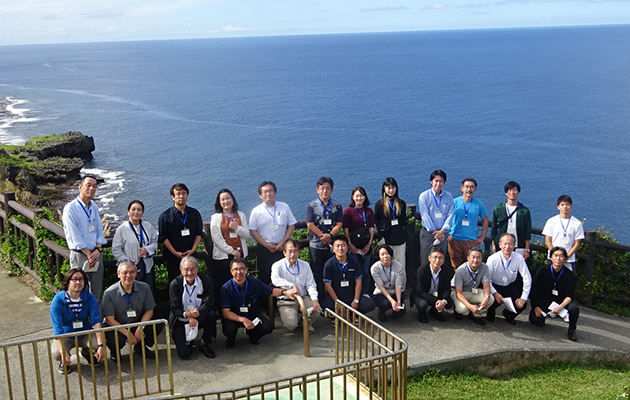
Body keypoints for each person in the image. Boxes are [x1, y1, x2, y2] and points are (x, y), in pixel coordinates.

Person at [220, 258, 296, 348]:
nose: (239, 272)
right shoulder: (226, 288)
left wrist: (285, 292)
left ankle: (253, 336)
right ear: (231, 271)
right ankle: (231, 339)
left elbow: (271, 291)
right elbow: (226, 312)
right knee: (229, 330)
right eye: (235, 269)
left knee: (268, 327)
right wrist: (243, 320)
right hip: (235, 316)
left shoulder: (254, 282)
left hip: (251, 314)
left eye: (242, 268)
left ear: (246, 270)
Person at [102, 260, 163, 362]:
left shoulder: (145, 287)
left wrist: (140, 327)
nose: (128, 275)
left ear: (136, 273)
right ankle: (115, 351)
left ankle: (140, 347)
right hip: (118, 325)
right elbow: (109, 319)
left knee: (157, 324)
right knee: (115, 339)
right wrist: (128, 334)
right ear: (118, 274)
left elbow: (149, 310)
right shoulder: (109, 293)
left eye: (131, 272)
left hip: (137, 322)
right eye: (125, 272)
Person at [50, 268, 105, 374]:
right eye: (74, 279)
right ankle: (65, 359)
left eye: (81, 279)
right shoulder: (58, 301)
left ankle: (87, 352)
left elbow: (96, 321)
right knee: (57, 353)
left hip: (85, 333)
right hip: (66, 335)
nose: (78, 282)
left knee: (98, 342)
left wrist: (101, 345)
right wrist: (63, 352)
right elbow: (57, 328)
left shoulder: (89, 298)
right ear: (67, 282)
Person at [62, 175, 107, 302]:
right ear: (80, 187)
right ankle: (81, 320)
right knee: (78, 290)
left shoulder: (94, 207)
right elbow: (74, 236)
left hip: (96, 254)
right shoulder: (70, 209)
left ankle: (96, 320)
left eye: (94, 186)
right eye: (88, 185)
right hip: (80, 255)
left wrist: (97, 249)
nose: (92, 189)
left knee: (97, 292)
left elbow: (99, 230)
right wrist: (88, 254)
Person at [249, 181, 297, 284]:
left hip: (282, 248)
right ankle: (265, 300)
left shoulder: (284, 207)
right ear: (260, 195)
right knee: (265, 277)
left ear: (275, 193)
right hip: (264, 249)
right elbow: (252, 230)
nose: (268, 194)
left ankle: (283, 298)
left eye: (270, 191)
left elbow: (291, 225)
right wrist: (266, 245)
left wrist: (283, 243)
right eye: (265, 192)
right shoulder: (256, 211)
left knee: (284, 275)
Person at [169, 256, 217, 359]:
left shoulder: (205, 280)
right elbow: (174, 307)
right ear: (181, 269)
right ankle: (187, 340)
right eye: (186, 269)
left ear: (197, 268)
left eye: (192, 269)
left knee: (211, 315)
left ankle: (205, 342)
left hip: (199, 316)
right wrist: (187, 315)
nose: (189, 273)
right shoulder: (175, 284)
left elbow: (209, 302)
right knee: (184, 354)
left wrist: (196, 316)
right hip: (181, 319)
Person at [529, 247, 580, 341]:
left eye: (561, 256)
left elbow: (570, 296)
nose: (558, 258)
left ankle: (572, 330)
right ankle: (542, 318)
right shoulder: (543, 270)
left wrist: (560, 307)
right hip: (545, 301)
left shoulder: (569, 275)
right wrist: (536, 306)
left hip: (560, 302)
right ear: (551, 257)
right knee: (534, 320)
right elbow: (534, 290)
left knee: (574, 308)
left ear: (565, 259)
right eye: (556, 255)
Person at [271, 239, 321, 333]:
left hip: (303, 297)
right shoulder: (277, 265)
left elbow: (311, 284)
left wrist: (314, 299)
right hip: (286, 301)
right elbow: (275, 280)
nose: (293, 254)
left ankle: (304, 322)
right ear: (284, 252)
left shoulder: (305, 265)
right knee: (290, 325)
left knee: (317, 310)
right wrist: (291, 285)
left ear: (299, 252)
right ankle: (298, 320)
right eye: (290, 251)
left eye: (295, 251)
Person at [210, 188, 250, 305]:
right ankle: (225, 310)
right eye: (222, 199)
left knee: (240, 282)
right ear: (219, 202)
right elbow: (216, 239)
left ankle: (240, 307)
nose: (226, 201)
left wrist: (236, 228)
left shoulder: (240, 215)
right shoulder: (216, 217)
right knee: (224, 284)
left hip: (241, 254)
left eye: (228, 198)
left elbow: (247, 234)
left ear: (232, 199)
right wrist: (232, 251)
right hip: (223, 258)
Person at [158, 183, 204, 282]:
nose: (181, 196)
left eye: (184, 193)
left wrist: (193, 250)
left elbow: (199, 233)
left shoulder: (195, 213)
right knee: (175, 283)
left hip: (191, 255)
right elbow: (163, 237)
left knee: (192, 281)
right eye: (178, 194)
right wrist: (175, 253)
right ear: (172, 197)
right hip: (173, 257)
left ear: (187, 195)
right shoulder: (165, 216)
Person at [306, 177, 343, 296]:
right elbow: (310, 224)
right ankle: (320, 299)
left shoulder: (337, 206)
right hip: (316, 246)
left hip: (333, 246)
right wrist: (323, 236)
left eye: (327, 188)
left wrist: (330, 235)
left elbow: (339, 224)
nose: (325, 191)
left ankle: (334, 299)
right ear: (317, 190)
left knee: (334, 272)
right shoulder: (311, 206)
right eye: (322, 188)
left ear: (332, 190)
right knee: (317, 274)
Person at [321, 235, 376, 316]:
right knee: (325, 305)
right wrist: (337, 302)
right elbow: (327, 285)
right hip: (337, 297)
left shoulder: (354, 262)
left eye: (343, 245)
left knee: (369, 304)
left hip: (351, 296)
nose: (340, 248)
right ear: (333, 248)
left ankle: (354, 315)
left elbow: (358, 281)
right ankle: (336, 317)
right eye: (337, 246)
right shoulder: (329, 264)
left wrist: (356, 300)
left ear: (347, 247)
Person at [112, 200, 159, 291]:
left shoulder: (148, 226)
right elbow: (116, 250)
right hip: (128, 272)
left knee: (147, 292)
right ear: (128, 211)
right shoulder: (122, 229)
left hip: (147, 267)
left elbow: (155, 243)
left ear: (142, 213)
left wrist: (147, 249)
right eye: (133, 209)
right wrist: (129, 263)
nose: (136, 212)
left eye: (139, 210)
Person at [485, 233, 531, 325]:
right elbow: (486, 279)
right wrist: (495, 293)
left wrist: (523, 298)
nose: (507, 246)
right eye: (505, 244)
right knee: (491, 301)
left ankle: (508, 314)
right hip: (494, 286)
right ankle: (491, 311)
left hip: (510, 286)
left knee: (522, 305)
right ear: (500, 245)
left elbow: (527, 278)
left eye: (510, 244)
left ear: (514, 246)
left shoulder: (519, 258)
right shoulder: (492, 259)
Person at [448, 178, 489, 270]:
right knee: (455, 266)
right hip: (455, 239)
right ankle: (457, 284)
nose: (469, 189)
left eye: (471, 187)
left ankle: (471, 284)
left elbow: (485, 221)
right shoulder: (454, 202)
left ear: (475, 190)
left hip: (471, 241)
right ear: (462, 188)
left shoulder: (479, 204)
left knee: (472, 265)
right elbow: (446, 217)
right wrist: (447, 233)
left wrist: (482, 237)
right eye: (466, 186)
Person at [417, 170, 453, 271]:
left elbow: (450, 215)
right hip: (428, 234)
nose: (438, 183)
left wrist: (441, 232)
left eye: (441, 181)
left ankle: (439, 285)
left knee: (440, 261)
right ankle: (424, 286)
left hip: (442, 234)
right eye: (436, 181)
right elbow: (425, 216)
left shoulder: (448, 196)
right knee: (425, 261)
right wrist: (435, 233)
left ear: (444, 182)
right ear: (431, 181)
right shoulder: (424, 196)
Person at [343, 186, 375, 295]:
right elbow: (345, 229)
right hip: (353, 247)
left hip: (366, 245)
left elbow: (371, 228)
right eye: (357, 196)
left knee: (365, 271)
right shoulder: (348, 211)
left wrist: (369, 245)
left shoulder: (369, 211)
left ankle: (365, 293)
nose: (359, 198)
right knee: (353, 272)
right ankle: (353, 294)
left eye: (361, 195)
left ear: (365, 197)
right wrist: (350, 244)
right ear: (352, 197)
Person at [451, 247, 494, 325]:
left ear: (481, 259)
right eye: (473, 257)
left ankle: (474, 315)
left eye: (478, 257)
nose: (475, 260)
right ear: (468, 258)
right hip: (459, 292)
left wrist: (486, 297)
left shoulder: (484, 267)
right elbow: (459, 293)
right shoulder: (460, 270)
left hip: (473, 290)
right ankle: (457, 310)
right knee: (463, 308)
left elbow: (486, 286)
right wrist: (470, 306)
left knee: (490, 299)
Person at [490, 181, 532, 259]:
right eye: (509, 190)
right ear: (506, 192)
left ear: (518, 192)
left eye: (515, 190)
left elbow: (527, 231)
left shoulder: (524, 211)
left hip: (519, 245)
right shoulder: (499, 208)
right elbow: (494, 228)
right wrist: (493, 245)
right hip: (502, 245)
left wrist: (527, 249)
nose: (512, 192)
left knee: (517, 267)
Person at [542, 195, 585, 271]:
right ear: (558, 207)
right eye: (562, 205)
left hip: (569, 260)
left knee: (568, 281)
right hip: (552, 259)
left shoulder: (577, 223)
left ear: (571, 206)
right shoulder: (551, 221)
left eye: (567, 204)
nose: (565, 207)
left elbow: (577, 244)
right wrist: (555, 256)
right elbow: (548, 240)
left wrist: (565, 257)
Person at [374, 177, 408, 271]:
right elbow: (377, 222)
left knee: (400, 265)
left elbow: (403, 221)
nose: (391, 190)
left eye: (393, 187)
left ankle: (401, 286)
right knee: (386, 266)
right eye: (388, 188)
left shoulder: (401, 203)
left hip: (399, 239)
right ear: (384, 189)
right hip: (385, 240)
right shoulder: (379, 205)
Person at [412, 247, 453, 323]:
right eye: (435, 257)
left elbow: (447, 288)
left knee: (449, 302)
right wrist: (437, 301)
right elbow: (420, 291)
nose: (437, 260)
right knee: (422, 304)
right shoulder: (422, 270)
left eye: (440, 258)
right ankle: (422, 314)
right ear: (429, 258)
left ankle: (434, 312)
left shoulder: (446, 270)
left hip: (437, 295)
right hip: (423, 295)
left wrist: (443, 301)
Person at [370, 244, 406, 322]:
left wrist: (398, 302)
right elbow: (381, 287)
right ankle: (381, 312)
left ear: (391, 254)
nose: (385, 256)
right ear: (379, 256)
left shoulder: (399, 266)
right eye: (382, 254)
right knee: (386, 304)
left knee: (402, 311)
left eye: (387, 253)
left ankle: (394, 312)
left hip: (394, 291)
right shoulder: (374, 268)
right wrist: (392, 301)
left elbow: (398, 285)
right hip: (381, 292)